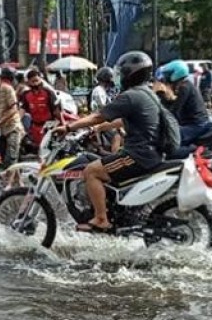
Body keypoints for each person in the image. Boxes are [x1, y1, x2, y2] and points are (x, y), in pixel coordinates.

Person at [56, 51, 161, 233]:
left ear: (130, 74)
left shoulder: (130, 96)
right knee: (99, 163)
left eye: (121, 73)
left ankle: (101, 218)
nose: (118, 77)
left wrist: (68, 128)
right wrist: (96, 129)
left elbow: (98, 115)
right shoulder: (147, 94)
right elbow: (121, 121)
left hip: (138, 155)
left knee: (92, 171)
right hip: (151, 152)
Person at [154, 59, 210, 147]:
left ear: (176, 73)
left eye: (168, 74)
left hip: (196, 125)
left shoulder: (184, 87)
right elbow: (172, 102)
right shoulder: (184, 85)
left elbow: (174, 111)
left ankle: (189, 156)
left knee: (168, 140)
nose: (166, 77)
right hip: (192, 123)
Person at [20, 68, 63, 147]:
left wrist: (63, 124)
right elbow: (22, 110)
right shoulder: (26, 95)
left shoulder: (48, 92)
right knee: (39, 150)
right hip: (35, 127)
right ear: (28, 82)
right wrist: (17, 122)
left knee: (49, 148)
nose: (35, 84)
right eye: (33, 81)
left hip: (49, 125)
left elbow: (56, 111)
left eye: (37, 80)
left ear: (41, 80)